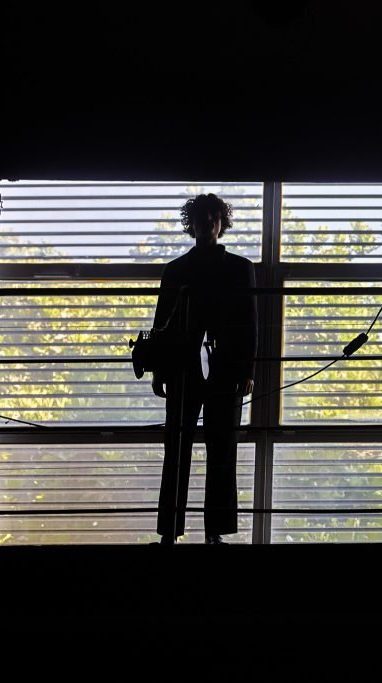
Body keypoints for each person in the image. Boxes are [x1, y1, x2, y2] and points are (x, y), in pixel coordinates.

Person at [151, 193, 258, 544]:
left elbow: (249, 324)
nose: (209, 221)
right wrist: (159, 371)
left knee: (213, 449)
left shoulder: (182, 270)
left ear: (219, 222)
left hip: (208, 369)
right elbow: (162, 325)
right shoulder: (233, 269)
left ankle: (186, 533)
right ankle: (202, 533)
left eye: (213, 216)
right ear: (194, 223)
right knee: (197, 448)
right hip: (197, 368)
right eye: (204, 216)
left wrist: (247, 369)